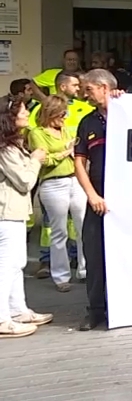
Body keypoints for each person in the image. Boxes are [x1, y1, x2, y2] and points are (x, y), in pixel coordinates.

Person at [0, 96, 53, 338]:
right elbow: (24, 181)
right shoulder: (5, 149)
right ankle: (2, 319)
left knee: (17, 262)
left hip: (15, 211)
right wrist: (35, 161)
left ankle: (18, 310)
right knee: (7, 265)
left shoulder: (13, 145)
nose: (26, 115)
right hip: (6, 212)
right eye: (22, 111)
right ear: (10, 118)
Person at [27, 95, 88, 293]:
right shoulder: (37, 133)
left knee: (82, 226)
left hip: (75, 180)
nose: (65, 117)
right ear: (50, 113)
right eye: (61, 114)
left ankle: (84, 269)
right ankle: (61, 276)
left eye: (65, 113)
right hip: (53, 184)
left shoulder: (68, 130)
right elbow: (42, 159)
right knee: (58, 231)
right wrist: (65, 153)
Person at [74, 69, 116, 331]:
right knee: (94, 253)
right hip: (98, 199)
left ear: (103, 87)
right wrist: (91, 195)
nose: (85, 94)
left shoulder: (130, 113)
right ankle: (95, 310)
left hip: (128, 198)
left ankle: (120, 307)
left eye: (88, 89)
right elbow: (79, 161)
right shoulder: (87, 121)